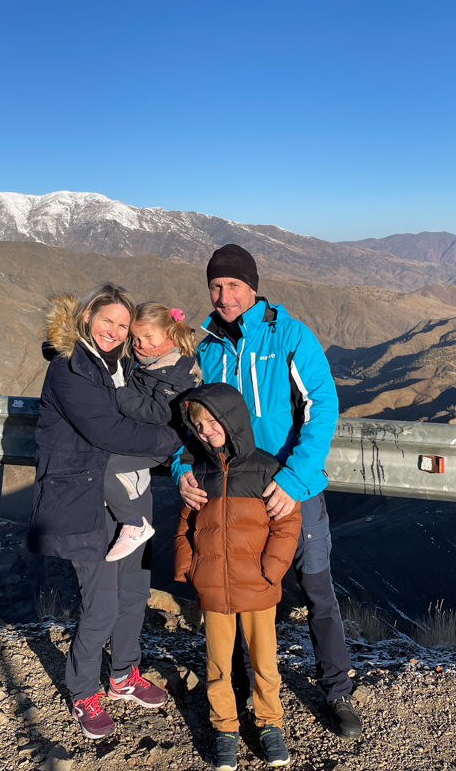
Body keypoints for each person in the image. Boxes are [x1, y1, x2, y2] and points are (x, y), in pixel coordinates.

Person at [171, 244, 363, 739]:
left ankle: (336, 690)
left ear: (252, 287)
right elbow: (194, 423)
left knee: (316, 587)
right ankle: (238, 693)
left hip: (289, 488)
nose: (224, 295)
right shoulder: (209, 346)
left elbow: (322, 404)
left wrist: (295, 479)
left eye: (233, 285)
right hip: (230, 490)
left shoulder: (291, 335)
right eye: (215, 286)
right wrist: (180, 465)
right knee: (237, 592)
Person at [28, 283, 184, 740]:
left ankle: (123, 676)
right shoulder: (69, 369)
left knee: (135, 594)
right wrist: (175, 442)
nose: (116, 331)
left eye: (123, 324)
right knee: (101, 606)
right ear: (86, 319)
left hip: (128, 495)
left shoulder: (116, 367)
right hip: (85, 501)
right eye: (107, 321)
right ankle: (81, 693)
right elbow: (110, 432)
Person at [174, 383, 301, 769]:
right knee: (217, 665)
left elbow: (287, 522)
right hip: (213, 587)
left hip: (258, 588)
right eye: (199, 425)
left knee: (264, 662)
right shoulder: (198, 472)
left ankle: (269, 723)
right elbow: (185, 526)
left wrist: (271, 571)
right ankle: (225, 728)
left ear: (233, 420)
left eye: (213, 421)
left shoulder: (265, 468)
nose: (207, 430)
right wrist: (189, 568)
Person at [104, 302, 201, 562]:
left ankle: (133, 523)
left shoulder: (176, 370)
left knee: (98, 466)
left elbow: (159, 412)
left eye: (148, 337)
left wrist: (118, 396)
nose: (141, 344)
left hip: (163, 440)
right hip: (146, 435)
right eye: (136, 338)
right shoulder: (148, 361)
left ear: (169, 335)